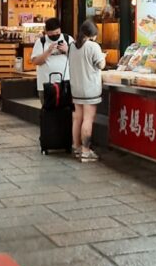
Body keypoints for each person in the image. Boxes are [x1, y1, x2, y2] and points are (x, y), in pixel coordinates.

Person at [68, 19, 106, 162]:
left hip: (76, 88)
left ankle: (77, 147)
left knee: (77, 118)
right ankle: (86, 151)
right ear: (92, 34)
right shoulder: (93, 46)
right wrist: (103, 57)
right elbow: (101, 65)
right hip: (90, 89)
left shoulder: (72, 46)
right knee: (88, 119)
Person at [31, 17, 74, 104]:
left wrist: (67, 50)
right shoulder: (41, 42)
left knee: (66, 110)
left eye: (57, 33)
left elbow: (77, 59)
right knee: (48, 112)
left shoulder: (68, 39)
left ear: (60, 30)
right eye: (51, 34)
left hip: (65, 83)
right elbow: (35, 62)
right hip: (46, 85)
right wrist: (48, 51)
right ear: (46, 32)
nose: (55, 35)